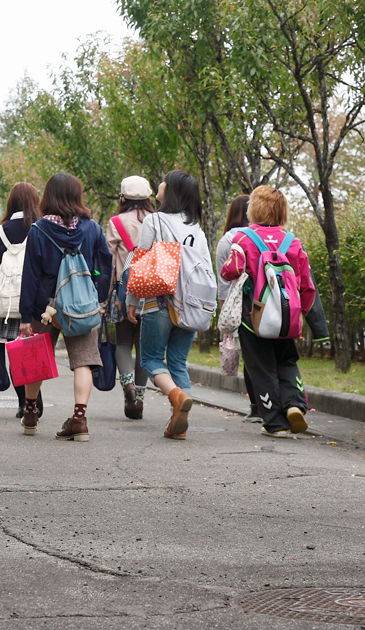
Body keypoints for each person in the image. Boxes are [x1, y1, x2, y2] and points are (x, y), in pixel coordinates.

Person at [18, 173, 112, 442]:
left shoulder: (38, 231)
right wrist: (98, 298)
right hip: (82, 306)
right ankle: (80, 419)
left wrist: (26, 315)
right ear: (77, 196)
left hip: (45, 308)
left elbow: (30, 275)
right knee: (83, 362)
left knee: (36, 360)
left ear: (49, 196)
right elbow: (105, 266)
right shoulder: (92, 228)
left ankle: (31, 412)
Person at [220, 185, 317, 437]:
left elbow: (230, 270)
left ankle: (274, 423)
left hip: (255, 317)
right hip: (288, 316)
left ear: (254, 208)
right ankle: (295, 404)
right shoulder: (292, 241)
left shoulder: (243, 238)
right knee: (287, 360)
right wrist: (308, 315)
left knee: (261, 368)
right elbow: (306, 282)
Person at [130, 170, 211, 439]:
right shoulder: (197, 229)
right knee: (178, 362)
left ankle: (176, 397)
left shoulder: (154, 219)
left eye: (164, 181)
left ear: (172, 190)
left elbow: (140, 261)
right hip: (189, 305)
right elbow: (207, 270)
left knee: (151, 359)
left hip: (159, 301)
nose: (159, 183)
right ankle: (179, 425)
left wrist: (131, 300)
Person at [0, 182, 42, 419]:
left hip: (7, 304)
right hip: (35, 303)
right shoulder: (41, 228)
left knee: (15, 353)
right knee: (34, 352)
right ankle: (35, 399)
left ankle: (24, 403)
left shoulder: (1, 231)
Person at [105, 176, 155, 419]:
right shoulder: (157, 220)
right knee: (145, 347)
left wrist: (105, 298)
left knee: (123, 342)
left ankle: (128, 384)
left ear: (123, 198)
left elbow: (108, 261)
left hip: (123, 291)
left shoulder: (116, 222)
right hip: (154, 292)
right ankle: (141, 398)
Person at [214, 194, 261, 421]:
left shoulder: (226, 241)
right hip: (264, 303)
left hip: (239, 306)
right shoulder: (260, 237)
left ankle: (256, 406)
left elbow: (223, 283)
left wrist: (225, 315)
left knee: (250, 355)